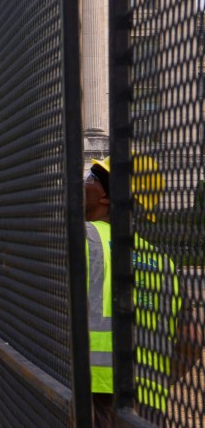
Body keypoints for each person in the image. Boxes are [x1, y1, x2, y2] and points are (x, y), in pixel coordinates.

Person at [85, 155, 196, 426]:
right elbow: (191, 337)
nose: (83, 183)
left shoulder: (84, 239)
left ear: (106, 197)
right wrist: (159, 379)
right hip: (148, 401)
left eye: (91, 178)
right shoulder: (163, 262)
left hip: (94, 392)